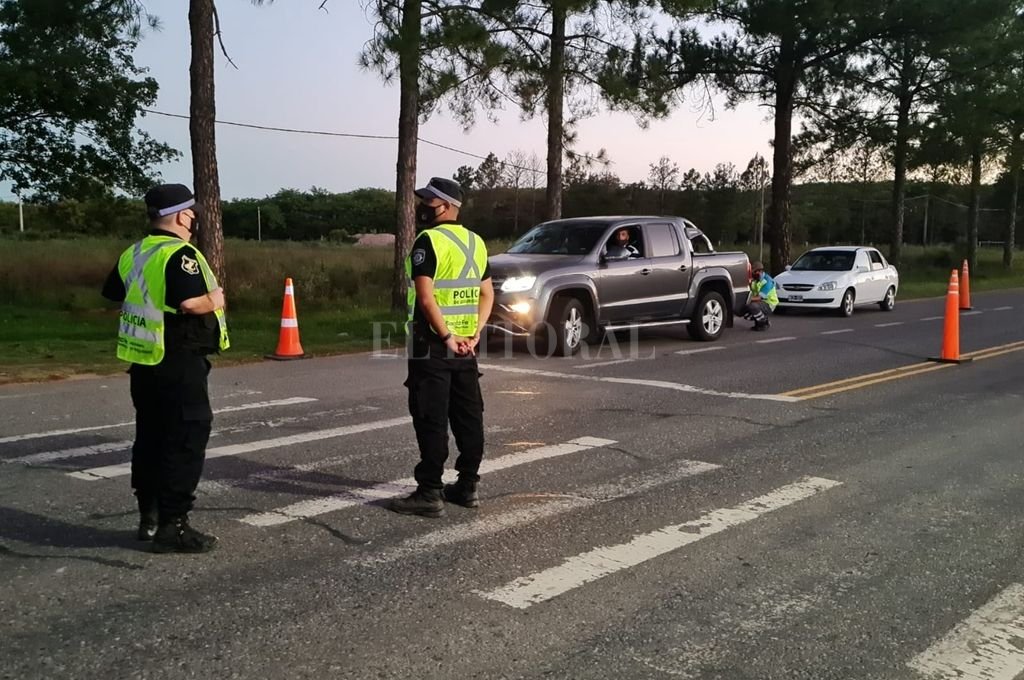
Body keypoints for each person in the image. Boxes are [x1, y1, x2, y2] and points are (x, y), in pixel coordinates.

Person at [101, 184, 229, 553]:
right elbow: (190, 303)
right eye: (193, 213)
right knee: (186, 439)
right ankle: (174, 524)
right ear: (181, 215)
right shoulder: (180, 254)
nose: (195, 220)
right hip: (178, 358)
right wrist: (215, 299)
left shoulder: (135, 252)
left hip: (143, 361)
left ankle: (150, 516)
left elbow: (115, 292)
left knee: (151, 438)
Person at [388, 177, 494, 518]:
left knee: (431, 417)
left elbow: (425, 296)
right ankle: (467, 487)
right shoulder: (476, 242)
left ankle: (430, 492)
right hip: (467, 347)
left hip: (433, 345)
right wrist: (475, 334)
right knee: (468, 416)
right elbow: (488, 294)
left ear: (446, 206)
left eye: (429, 202)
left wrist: (447, 337)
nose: (423, 208)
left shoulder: (428, 241)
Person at [738, 261, 778, 331]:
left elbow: (760, 297)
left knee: (752, 306)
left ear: (759, 271)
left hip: (769, 303)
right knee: (742, 310)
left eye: (753, 272)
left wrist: (746, 300)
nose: (752, 274)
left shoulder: (767, 281)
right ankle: (758, 322)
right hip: (759, 302)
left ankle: (764, 322)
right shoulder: (755, 280)